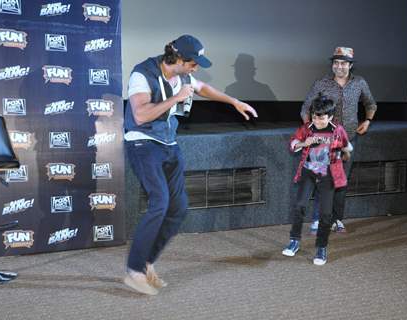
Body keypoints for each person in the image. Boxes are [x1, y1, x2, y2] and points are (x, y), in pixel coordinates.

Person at [123, 34, 258, 295]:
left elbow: (203, 88)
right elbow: (139, 116)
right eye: (194, 64)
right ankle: (133, 270)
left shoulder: (184, 76)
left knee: (179, 207)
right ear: (179, 59)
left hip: (168, 143)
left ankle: (147, 262)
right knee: (159, 202)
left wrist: (234, 102)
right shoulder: (142, 73)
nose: (196, 69)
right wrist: (176, 98)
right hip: (143, 142)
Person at [300, 47, 377, 233]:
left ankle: (336, 219)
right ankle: (319, 219)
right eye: (336, 63)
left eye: (343, 63)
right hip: (324, 141)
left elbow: (370, 104)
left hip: (347, 140)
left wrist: (367, 121)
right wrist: (311, 129)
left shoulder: (359, 83)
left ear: (350, 65)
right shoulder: (322, 83)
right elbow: (305, 108)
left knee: (341, 180)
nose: (339, 66)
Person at [283, 94, 352, 265]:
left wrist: (345, 155)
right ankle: (294, 241)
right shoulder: (307, 128)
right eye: (314, 116)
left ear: (329, 117)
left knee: (326, 214)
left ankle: (321, 248)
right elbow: (293, 145)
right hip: (308, 172)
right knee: (299, 206)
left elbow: (346, 146)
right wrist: (304, 143)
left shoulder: (338, 130)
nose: (317, 121)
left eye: (321, 118)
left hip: (328, 174)